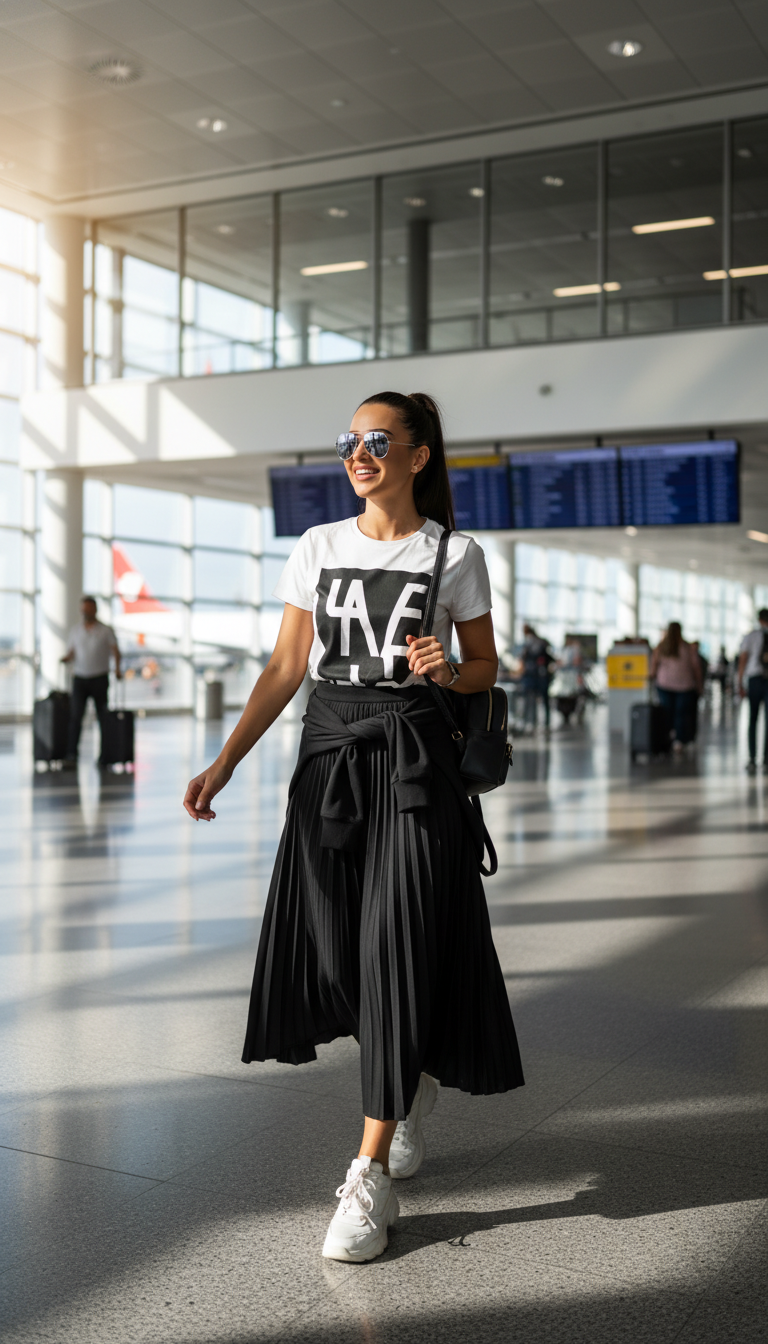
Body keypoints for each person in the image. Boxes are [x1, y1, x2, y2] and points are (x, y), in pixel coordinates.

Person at [183, 391, 524, 1264]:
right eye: (349, 441)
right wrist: (225, 761)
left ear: (418, 455)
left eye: (377, 440)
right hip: (330, 755)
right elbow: (286, 666)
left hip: (414, 763)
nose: (358, 454)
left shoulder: (454, 553)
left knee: (395, 949)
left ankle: (368, 1171)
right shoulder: (318, 545)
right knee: (336, 951)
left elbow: (486, 665)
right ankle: (404, 1078)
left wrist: (449, 669)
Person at [60, 596, 121, 767]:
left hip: (99, 678)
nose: (85, 612)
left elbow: (116, 651)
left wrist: (117, 669)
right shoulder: (75, 630)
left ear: (95, 610)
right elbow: (72, 652)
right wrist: (66, 658)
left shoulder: (106, 630)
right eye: (84, 609)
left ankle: (105, 755)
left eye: (88, 609)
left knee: (103, 718)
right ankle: (72, 754)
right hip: (80, 678)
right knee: (75, 717)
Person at [650, 621, 703, 752]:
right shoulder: (688, 648)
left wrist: (651, 676)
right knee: (681, 713)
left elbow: (654, 666)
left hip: (664, 684)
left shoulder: (661, 647)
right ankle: (679, 740)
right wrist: (699, 685)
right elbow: (696, 668)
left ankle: (668, 737)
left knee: (667, 713)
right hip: (685, 685)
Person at [737, 607, 768, 774]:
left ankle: (752, 758)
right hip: (761, 678)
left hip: (754, 679)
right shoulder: (753, 636)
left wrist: (739, 682)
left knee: (753, 719)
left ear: (759, 619)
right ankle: (766, 759)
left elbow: (743, 659)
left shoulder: (751, 636)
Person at [520, 623, 553, 731]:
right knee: (544, 699)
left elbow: (523, 658)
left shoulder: (527, 643)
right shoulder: (542, 642)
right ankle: (546, 721)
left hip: (531, 675)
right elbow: (549, 658)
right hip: (542, 675)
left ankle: (531, 721)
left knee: (530, 699)